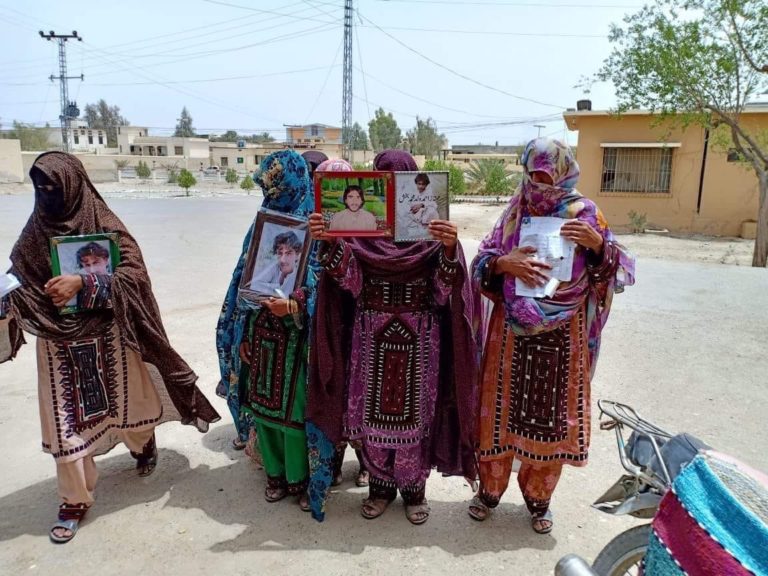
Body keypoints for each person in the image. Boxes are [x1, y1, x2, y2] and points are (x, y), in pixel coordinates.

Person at [0, 152, 220, 544]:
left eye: (55, 186)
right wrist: (9, 297)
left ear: (74, 184)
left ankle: (143, 444)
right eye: (40, 188)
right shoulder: (34, 233)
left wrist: (83, 283)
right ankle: (73, 500)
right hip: (58, 344)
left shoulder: (103, 223)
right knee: (64, 420)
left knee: (128, 403)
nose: (47, 195)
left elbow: (134, 274)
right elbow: (19, 280)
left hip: (111, 335)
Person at [467, 138, 635, 534]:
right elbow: (481, 263)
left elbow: (615, 270)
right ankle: (489, 491)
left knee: (553, 418)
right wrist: (503, 263)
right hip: (509, 331)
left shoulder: (586, 213)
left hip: (565, 334)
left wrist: (597, 247)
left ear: (564, 172)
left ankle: (539, 499)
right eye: (533, 175)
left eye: (548, 175)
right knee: (498, 411)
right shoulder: (513, 213)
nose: (540, 184)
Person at [305, 149, 478, 525]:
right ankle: (380, 488)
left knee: (416, 416)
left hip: (420, 338)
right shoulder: (359, 236)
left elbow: (440, 293)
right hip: (371, 335)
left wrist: (450, 249)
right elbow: (351, 283)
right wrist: (331, 243)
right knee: (372, 416)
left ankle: (414, 490)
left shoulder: (431, 235)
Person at [216, 150, 318, 510]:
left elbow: (326, 284)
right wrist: (242, 334)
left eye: (280, 189)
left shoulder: (316, 226)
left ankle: (299, 479)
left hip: (298, 338)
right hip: (262, 334)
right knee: (264, 408)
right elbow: (245, 283)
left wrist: (294, 305)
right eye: (269, 191)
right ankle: (274, 475)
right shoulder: (262, 228)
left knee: (296, 412)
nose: (275, 198)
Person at [249, 230, 303, 295]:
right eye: (280, 253)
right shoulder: (275, 267)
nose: (283, 260)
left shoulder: (299, 276)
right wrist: (277, 287)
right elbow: (254, 285)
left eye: (288, 253)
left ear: (297, 255)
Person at [399, 173, 440, 239]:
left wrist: (421, 205)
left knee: (432, 210)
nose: (421, 186)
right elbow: (408, 202)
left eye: (423, 184)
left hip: (424, 213)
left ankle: (424, 229)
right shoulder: (413, 191)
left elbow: (433, 204)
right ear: (416, 183)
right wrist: (413, 208)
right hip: (414, 213)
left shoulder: (429, 191)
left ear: (426, 185)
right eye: (419, 184)